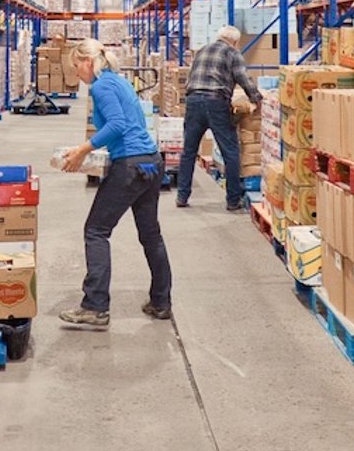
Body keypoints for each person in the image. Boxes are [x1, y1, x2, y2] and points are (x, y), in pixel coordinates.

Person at [58, 39, 173, 327]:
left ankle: (95, 306)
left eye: (76, 66)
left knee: (96, 230)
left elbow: (118, 124)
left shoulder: (101, 86)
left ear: (88, 61)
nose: (78, 73)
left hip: (131, 167)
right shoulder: (119, 82)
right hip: (150, 162)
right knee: (150, 234)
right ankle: (161, 301)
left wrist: (84, 149)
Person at [176, 25, 262, 212]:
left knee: (189, 151)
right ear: (235, 42)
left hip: (193, 100)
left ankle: (182, 196)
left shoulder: (201, 50)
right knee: (230, 151)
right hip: (216, 102)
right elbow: (243, 78)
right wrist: (257, 98)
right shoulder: (232, 53)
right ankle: (233, 200)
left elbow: (192, 77)